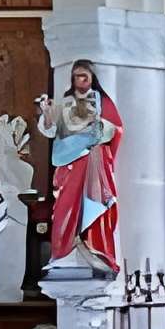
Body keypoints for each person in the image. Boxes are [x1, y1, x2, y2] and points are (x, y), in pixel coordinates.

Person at [41, 60, 123, 274]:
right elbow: (51, 130)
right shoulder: (66, 102)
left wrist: (97, 132)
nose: (80, 80)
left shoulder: (102, 101)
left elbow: (116, 130)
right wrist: (48, 114)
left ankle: (97, 251)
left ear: (92, 78)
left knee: (94, 206)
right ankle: (63, 254)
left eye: (84, 76)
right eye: (76, 76)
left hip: (93, 163)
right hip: (68, 163)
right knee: (64, 208)